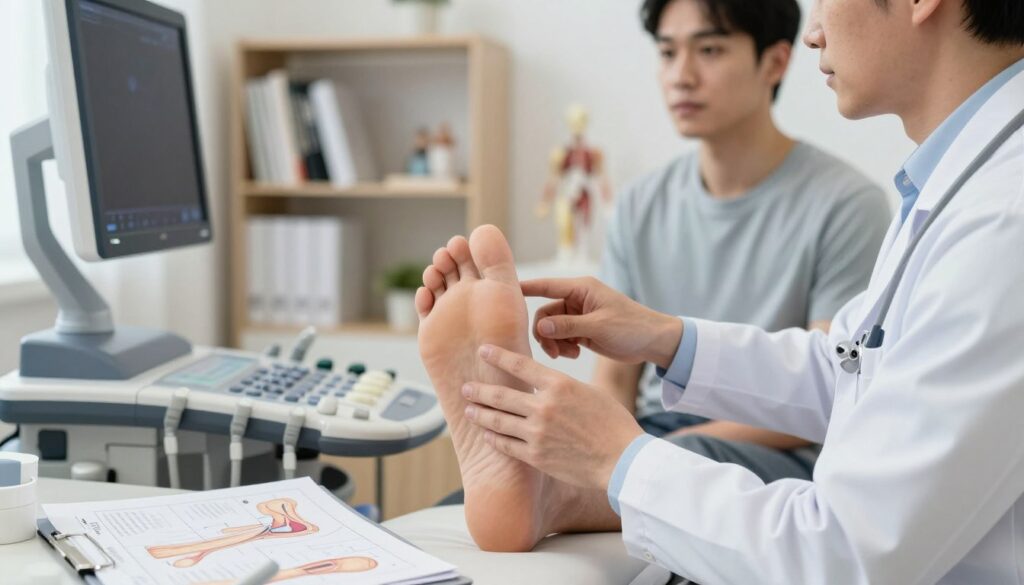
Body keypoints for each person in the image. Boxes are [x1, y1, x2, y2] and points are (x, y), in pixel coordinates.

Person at [413, 0, 1024, 582]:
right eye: (668, 52)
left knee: (677, 451)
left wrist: (624, 456)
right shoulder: (959, 191)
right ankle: (547, 491)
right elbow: (851, 369)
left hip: (798, 486)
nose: (814, 32)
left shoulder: (1001, 222)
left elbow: (844, 557)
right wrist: (667, 339)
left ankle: (563, 492)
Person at [595, 0, 891, 485]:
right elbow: (613, 378)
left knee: (678, 459)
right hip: (649, 432)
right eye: (668, 53)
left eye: (709, 50)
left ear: (774, 62)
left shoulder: (847, 203)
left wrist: (649, 458)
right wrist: (605, 445)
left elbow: (830, 388)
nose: (681, 76)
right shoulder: (638, 204)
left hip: (778, 444)